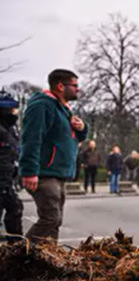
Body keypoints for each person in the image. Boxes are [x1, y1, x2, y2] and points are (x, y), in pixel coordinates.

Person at [19, 69, 88, 242]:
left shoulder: (63, 109)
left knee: (55, 221)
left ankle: (47, 260)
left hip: (58, 173)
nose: (77, 89)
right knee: (50, 219)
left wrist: (82, 128)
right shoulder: (42, 105)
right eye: (74, 85)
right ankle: (19, 256)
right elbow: (31, 138)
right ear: (60, 86)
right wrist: (29, 171)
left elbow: (73, 138)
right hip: (44, 173)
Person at [0, 91, 23, 241]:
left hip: (7, 178)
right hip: (2, 178)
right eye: (13, 110)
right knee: (14, 208)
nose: (16, 113)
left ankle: (14, 247)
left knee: (15, 209)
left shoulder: (11, 130)